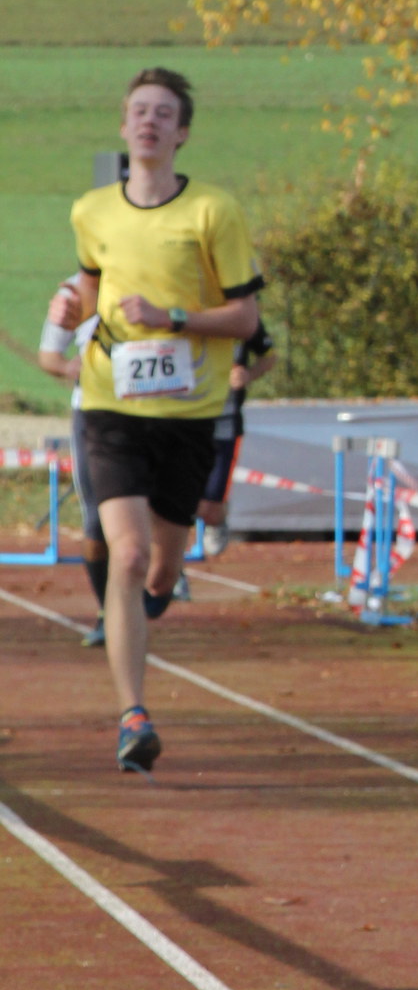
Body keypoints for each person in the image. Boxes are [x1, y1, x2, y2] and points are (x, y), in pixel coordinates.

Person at [46, 69, 263, 773]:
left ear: (182, 133)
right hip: (110, 407)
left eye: (163, 114)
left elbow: (246, 318)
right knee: (129, 554)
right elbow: (91, 294)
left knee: (161, 569)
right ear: (122, 126)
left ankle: (157, 596)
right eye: (138, 111)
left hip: (189, 413)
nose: (149, 122)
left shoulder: (212, 211)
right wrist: (68, 314)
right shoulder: (91, 211)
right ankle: (133, 717)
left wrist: (172, 318)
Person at [36, 277, 107, 647]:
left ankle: (162, 578)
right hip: (94, 415)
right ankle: (108, 610)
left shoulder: (158, 276)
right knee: (96, 520)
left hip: (153, 414)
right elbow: (48, 355)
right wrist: (67, 368)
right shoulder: (74, 291)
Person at [193, 320, 276, 559]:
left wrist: (248, 374)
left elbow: (269, 357)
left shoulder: (243, 319)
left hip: (225, 423)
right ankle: (172, 568)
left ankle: (216, 520)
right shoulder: (188, 315)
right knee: (177, 501)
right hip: (186, 419)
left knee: (209, 507)